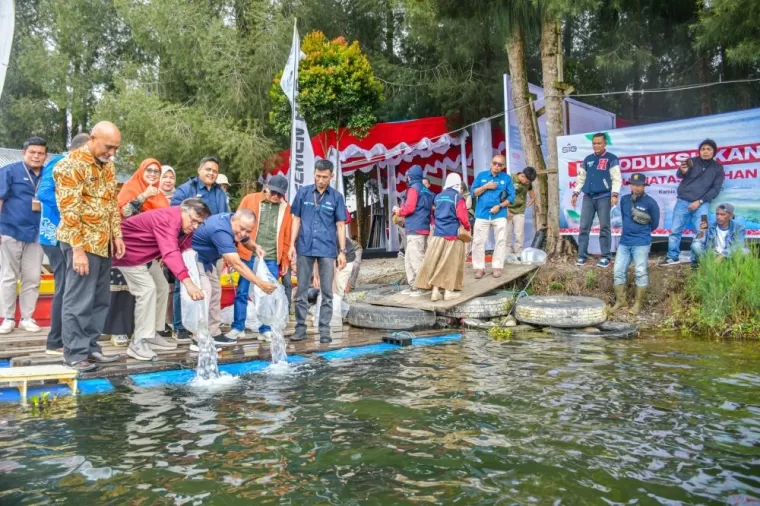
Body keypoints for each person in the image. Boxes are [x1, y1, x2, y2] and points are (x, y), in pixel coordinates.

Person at [54, 121, 125, 372]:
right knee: (78, 300)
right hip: (80, 243)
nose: (112, 153)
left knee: (99, 300)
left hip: (103, 242)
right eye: (108, 147)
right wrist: (77, 250)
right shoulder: (69, 166)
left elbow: (111, 204)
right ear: (92, 138)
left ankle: (92, 348)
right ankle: (74, 353)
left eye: (116, 148)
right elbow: (69, 211)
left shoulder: (108, 166)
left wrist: (116, 236)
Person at [114, 199, 210, 361]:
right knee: (147, 290)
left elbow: (185, 250)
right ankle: (138, 343)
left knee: (162, 287)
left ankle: (152, 334)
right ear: (182, 211)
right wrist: (188, 284)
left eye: (199, 223)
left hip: (145, 256)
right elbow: (171, 253)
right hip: (127, 252)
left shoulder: (185, 227)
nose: (195, 226)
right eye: (193, 220)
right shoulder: (168, 219)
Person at [191, 209, 277, 347]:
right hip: (193, 256)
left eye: (248, 231)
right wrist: (260, 283)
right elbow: (236, 264)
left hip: (209, 260)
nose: (243, 233)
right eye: (241, 229)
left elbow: (245, 240)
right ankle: (198, 338)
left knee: (215, 292)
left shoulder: (234, 222)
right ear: (233, 221)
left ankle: (213, 333)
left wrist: (255, 247)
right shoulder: (221, 231)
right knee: (205, 292)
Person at [36, 133, 90, 354]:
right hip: (55, 235)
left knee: (70, 287)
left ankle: (63, 337)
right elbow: (43, 192)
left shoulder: (83, 166)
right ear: (80, 148)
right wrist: (72, 209)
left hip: (71, 235)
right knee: (65, 287)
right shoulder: (60, 162)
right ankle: (55, 340)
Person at [289, 159, 347, 344]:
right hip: (305, 246)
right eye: (318, 176)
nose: (320, 180)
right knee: (302, 290)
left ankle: (324, 329)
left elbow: (340, 224)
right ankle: (300, 328)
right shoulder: (303, 192)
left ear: (331, 176)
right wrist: (291, 244)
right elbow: (296, 219)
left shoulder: (336, 197)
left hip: (327, 248)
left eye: (324, 177)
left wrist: (342, 251)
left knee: (327, 292)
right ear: (314, 174)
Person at [170, 156, 229, 342]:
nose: (211, 173)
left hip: (213, 251)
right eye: (208, 169)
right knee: (187, 288)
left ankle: (213, 331)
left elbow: (224, 217)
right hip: (190, 248)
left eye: (215, 171)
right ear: (199, 170)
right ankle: (181, 327)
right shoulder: (187, 189)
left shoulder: (220, 192)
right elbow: (174, 214)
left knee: (214, 290)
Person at [229, 175, 293, 341]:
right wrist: (232, 251)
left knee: (268, 293)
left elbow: (286, 236)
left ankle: (265, 328)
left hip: (271, 256)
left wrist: (285, 259)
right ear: (266, 187)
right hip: (247, 252)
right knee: (242, 291)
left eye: (280, 194)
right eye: (273, 192)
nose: (275, 196)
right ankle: (238, 327)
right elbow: (235, 225)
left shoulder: (286, 208)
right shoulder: (250, 199)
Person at [0, 137, 48, 334]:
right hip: (11, 230)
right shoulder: (9, 171)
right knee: (8, 276)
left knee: (33, 277)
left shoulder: (48, 174)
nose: (36, 156)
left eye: (40, 153)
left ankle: (27, 318)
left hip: (37, 233)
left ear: (45, 156)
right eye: (32, 152)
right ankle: (8, 318)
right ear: (24, 153)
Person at [661, 139, 725, 266]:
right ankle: (672, 257)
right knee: (675, 230)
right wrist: (682, 170)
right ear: (699, 151)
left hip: (703, 204)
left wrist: (700, 201)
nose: (705, 151)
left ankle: (696, 259)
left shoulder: (718, 168)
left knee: (702, 231)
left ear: (714, 152)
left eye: (709, 149)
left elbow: (715, 190)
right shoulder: (691, 161)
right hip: (682, 201)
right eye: (703, 149)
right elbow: (679, 174)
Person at [414, 173, 471, 301]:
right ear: (458, 183)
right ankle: (448, 292)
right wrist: (467, 228)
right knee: (450, 263)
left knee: (438, 262)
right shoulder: (458, 197)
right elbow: (463, 217)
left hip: (438, 235)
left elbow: (435, 212)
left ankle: (435, 292)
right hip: (452, 236)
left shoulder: (438, 197)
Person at [610, 173, 660, 315]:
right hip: (624, 242)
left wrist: (641, 232)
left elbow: (654, 224)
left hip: (641, 242)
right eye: (633, 185)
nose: (635, 187)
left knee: (640, 272)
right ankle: (621, 302)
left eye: (639, 185)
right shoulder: (625, 200)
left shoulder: (651, 202)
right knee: (618, 271)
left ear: (644, 186)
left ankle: (638, 304)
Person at [572, 133, 622, 268]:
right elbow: (581, 178)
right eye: (594, 143)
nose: (596, 145)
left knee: (604, 227)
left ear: (605, 144)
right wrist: (576, 193)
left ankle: (606, 256)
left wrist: (614, 195)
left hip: (604, 197)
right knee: (583, 227)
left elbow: (616, 179)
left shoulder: (612, 159)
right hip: (588, 197)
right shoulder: (587, 159)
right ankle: (581, 255)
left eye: (599, 143)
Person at [471, 155, 515, 279]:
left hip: (499, 214)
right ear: (491, 163)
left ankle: (497, 267)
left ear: (503, 166)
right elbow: (473, 193)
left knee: (501, 241)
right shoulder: (482, 176)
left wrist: (500, 206)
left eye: (500, 164)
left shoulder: (506, 178)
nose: (496, 166)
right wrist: (485, 187)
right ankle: (479, 268)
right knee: (478, 241)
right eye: (495, 163)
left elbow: (511, 197)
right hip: (482, 214)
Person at [392, 166, 434, 294]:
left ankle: (423, 286)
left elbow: (409, 208)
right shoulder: (426, 190)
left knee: (416, 259)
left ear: (410, 176)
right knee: (409, 258)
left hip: (415, 228)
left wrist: (398, 211)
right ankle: (414, 285)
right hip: (422, 226)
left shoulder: (413, 189)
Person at [690, 203, 747, 268]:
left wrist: (722, 255)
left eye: (722, 214)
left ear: (730, 216)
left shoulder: (739, 227)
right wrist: (702, 233)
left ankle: (727, 264)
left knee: (745, 252)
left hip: (727, 255)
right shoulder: (710, 225)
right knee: (695, 245)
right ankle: (707, 265)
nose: (718, 217)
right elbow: (699, 242)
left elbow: (738, 245)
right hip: (712, 254)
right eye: (717, 214)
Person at [506, 166, 537, 257]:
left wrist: (532, 198)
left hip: (520, 211)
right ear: (522, 176)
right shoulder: (510, 179)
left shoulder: (528, 182)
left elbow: (530, 189)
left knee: (519, 234)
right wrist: (506, 210)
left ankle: (519, 253)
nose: (527, 183)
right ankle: (507, 254)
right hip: (508, 210)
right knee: (507, 234)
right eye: (527, 181)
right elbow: (501, 195)